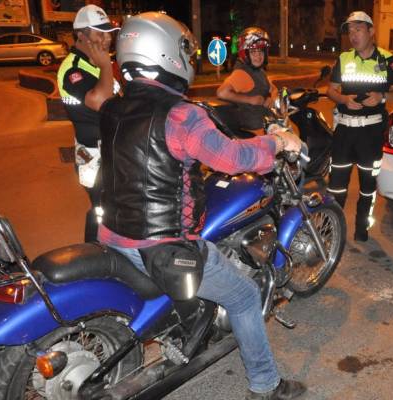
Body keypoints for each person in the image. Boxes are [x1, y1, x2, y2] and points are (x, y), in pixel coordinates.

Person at [98, 12, 306, 400]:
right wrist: (278, 142)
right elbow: (232, 158)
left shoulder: (112, 108)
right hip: (162, 245)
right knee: (244, 296)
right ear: (167, 52)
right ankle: (266, 384)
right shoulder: (181, 115)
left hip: (113, 234)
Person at [326, 11, 393, 242]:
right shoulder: (343, 58)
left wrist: (381, 97)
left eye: (358, 29)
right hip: (344, 131)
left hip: (371, 133)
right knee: (336, 186)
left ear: (371, 31)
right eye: (350, 31)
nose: (353, 35)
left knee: (368, 185)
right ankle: (330, 232)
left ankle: (361, 229)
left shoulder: (387, 59)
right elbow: (331, 90)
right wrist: (343, 99)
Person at [57, 4, 120, 243]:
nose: (107, 39)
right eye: (100, 33)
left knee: (112, 209)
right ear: (81, 35)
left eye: (108, 33)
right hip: (92, 155)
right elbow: (100, 101)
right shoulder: (73, 68)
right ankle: (94, 253)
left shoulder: (93, 63)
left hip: (111, 150)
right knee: (101, 210)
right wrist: (105, 65)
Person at [216, 27, 277, 131]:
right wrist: (250, 100)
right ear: (245, 53)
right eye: (253, 52)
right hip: (253, 131)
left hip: (265, 125)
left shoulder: (258, 71)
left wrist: (271, 98)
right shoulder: (242, 73)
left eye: (261, 52)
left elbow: (273, 88)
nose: (258, 56)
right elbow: (221, 92)